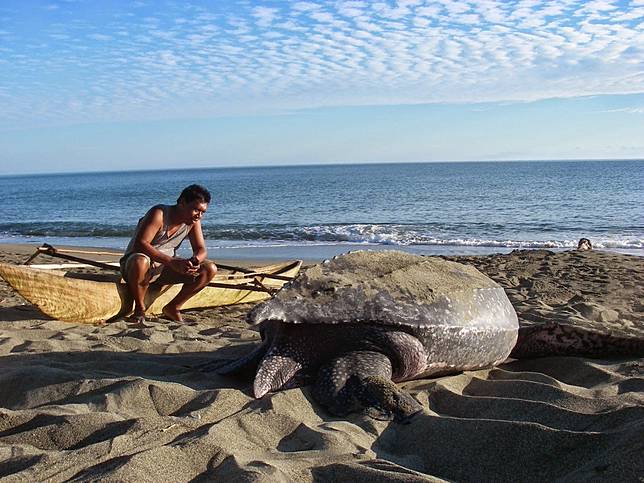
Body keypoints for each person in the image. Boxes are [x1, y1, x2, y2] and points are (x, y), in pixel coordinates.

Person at [120, 184, 217, 323]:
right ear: (182, 202)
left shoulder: (193, 221)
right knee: (141, 261)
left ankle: (173, 307)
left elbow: (201, 249)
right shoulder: (159, 213)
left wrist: (194, 261)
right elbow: (141, 244)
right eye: (196, 210)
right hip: (136, 266)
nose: (199, 215)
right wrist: (171, 262)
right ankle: (140, 309)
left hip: (164, 267)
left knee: (209, 269)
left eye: (203, 212)